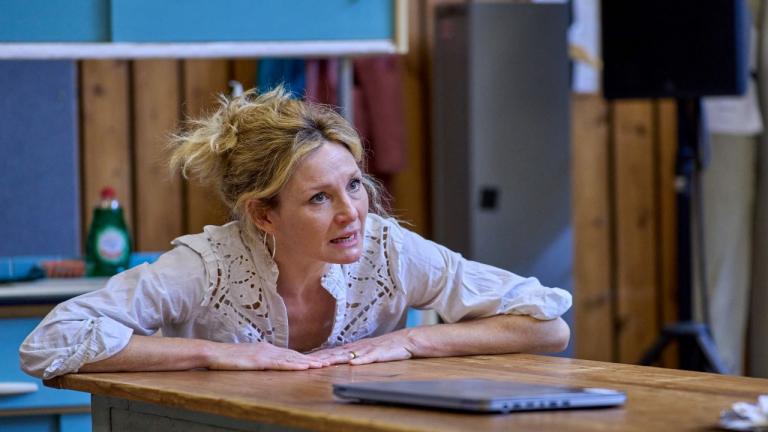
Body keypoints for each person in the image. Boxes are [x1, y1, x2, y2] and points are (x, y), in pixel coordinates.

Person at [19, 87, 572, 380]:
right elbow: (48, 343)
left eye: (353, 185)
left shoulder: (388, 250)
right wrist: (214, 354)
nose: (352, 213)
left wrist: (409, 341)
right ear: (264, 215)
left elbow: (546, 327)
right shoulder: (207, 266)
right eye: (319, 198)